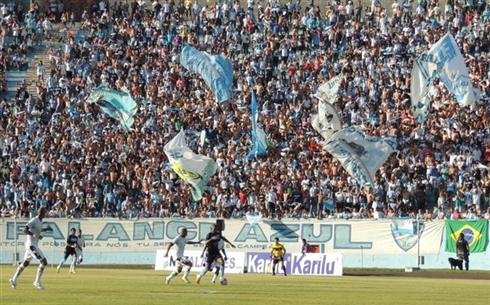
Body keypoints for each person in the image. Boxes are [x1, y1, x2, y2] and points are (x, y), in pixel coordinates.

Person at [9, 207, 53, 289]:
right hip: (31, 245)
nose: (45, 213)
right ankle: (36, 282)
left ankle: (14, 279)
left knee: (25, 263)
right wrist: (34, 235)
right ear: (40, 212)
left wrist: (46, 229)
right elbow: (25, 230)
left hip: (33, 244)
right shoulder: (34, 220)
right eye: (44, 212)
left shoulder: (40, 221)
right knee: (44, 261)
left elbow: (37, 230)